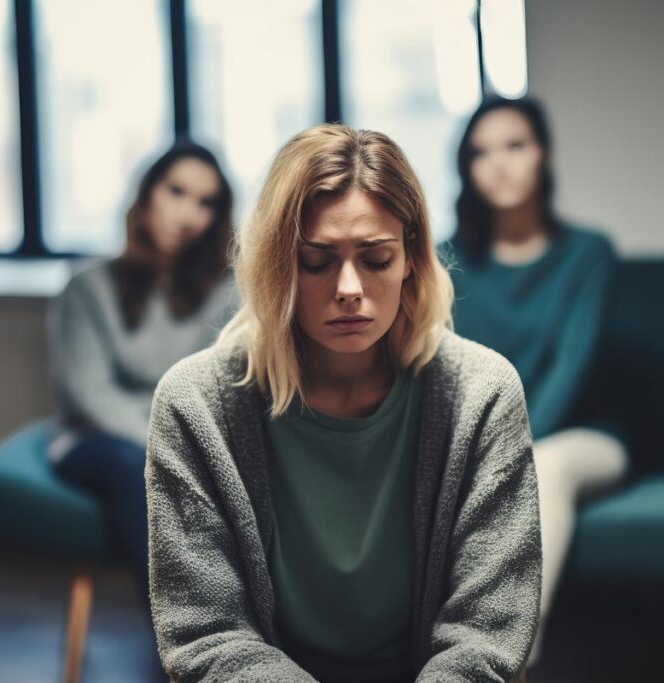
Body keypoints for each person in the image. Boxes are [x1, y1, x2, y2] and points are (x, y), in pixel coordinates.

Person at [145, 124, 541, 682]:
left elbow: (487, 632)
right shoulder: (196, 405)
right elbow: (206, 632)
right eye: (316, 261)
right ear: (276, 267)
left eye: (376, 259)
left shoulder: (482, 393)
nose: (349, 287)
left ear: (410, 261)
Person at [445, 96, 626, 663]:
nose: (499, 163)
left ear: (543, 155)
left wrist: (501, 457)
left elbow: (570, 372)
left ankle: (511, 656)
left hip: (582, 437)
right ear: (466, 169)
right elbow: (440, 376)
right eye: (482, 152)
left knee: (543, 467)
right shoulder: (444, 258)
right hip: (478, 442)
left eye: (515, 146)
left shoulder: (588, 254)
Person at [49, 140, 236, 603]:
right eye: (177, 191)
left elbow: (224, 389)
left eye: (206, 202)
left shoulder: (230, 293)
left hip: (194, 440)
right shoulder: (88, 286)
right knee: (138, 468)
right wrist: (172, 449)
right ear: (147, 195)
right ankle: (183, 640)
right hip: (100, 440)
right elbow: (91, 394)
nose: (189, 213)